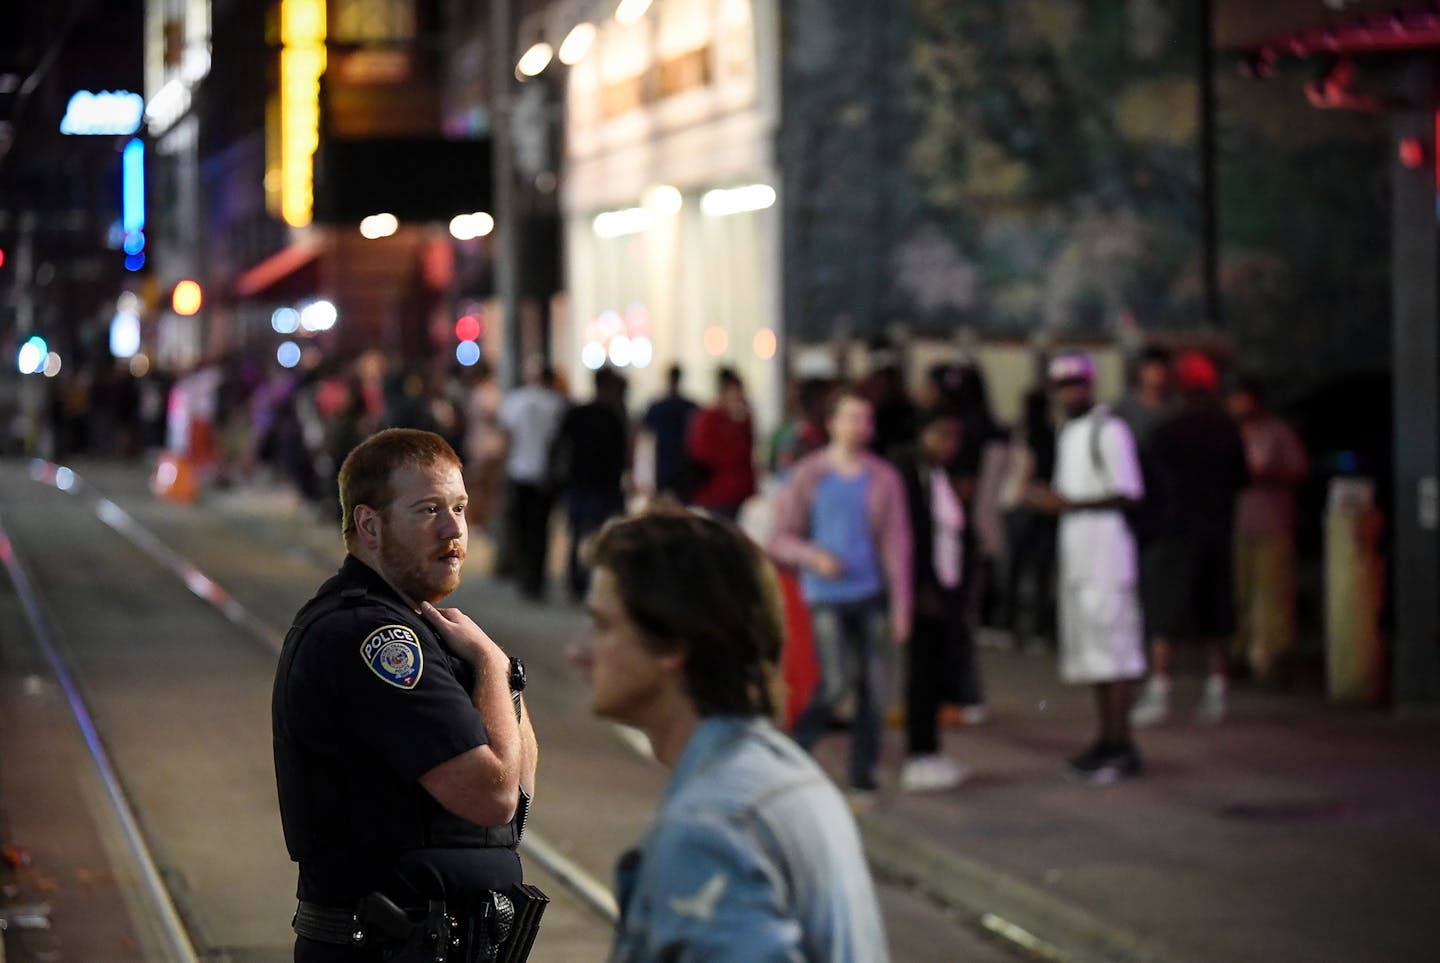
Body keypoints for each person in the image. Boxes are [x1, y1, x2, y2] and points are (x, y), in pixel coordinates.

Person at [571, 506, 890, 961]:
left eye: (603, 626)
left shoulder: (708, 831)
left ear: (673, 645)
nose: (577, 652)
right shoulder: (791, 775)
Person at [272, 428, 541, 961]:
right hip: (388, 946)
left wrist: (498, 672)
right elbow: (493, 797)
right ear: (370, 525)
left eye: (460, 507)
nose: (454, 530)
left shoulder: (425, 625)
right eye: (427, 511)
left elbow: (520, 787)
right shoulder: (374, 638)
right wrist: (491, 664)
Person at [769, 391, 913, 795]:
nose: (857, 427)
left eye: (864, 419)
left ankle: (861, 768)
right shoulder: (810, 475)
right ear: (832, 423)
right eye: (849, 417)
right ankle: (794, 751)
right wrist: (813, 557)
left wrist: (902, 605)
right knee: (836, 682)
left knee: (875, 686)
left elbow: (896, 544)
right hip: (827, 595)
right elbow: (779, 537)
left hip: (870, 592)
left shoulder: (883, 478)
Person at [1025, 354, 1147, 785]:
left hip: (1107, 558)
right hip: (1080, 558)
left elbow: (1129, 493)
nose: (1070, 391)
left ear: (1091, 384)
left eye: (1077, 383)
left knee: (1114, 654)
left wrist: (1066, 504)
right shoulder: (1070, 431)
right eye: (1062, 384)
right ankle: (1107, 741)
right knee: (1095, 657)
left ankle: (1121, 745)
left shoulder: (1107, 429)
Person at [1129, 351, 1251, 726]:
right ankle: (1218, 692)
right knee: (1216, 614)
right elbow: (1241, 479)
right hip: (1216, 531)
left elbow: (1145, 485)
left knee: (1165, 614)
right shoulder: (1227, 430)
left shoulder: (1165, 433)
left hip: (1172, 533)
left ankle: (1160, 692)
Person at [891, 405, 973, 792]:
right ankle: (918, 752)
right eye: (942, 435)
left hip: (945, 582)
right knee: (921, 671)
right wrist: (919, 585)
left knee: (938, 668)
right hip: (924, 586)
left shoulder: (938, 474)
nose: (949, 444)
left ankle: (930, 748)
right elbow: (909, 533)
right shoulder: (908, 472)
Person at [1227, 378, 1310, 684]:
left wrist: (1268, 475)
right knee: (1241, 594)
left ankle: (1278, 658)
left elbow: (1300, 470)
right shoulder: (1230, 435)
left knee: (1274, 592)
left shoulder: (1277, 433)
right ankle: (1241, 654)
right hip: (1237, 525)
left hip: (1273, 524)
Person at [551, 366, 630, 602]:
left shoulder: (579, 413)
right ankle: (588, 583)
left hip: (580, 482)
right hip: (603, 485)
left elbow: (559, 444)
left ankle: (576, 583)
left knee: (578, 535)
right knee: (598, 536)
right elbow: (624, 455)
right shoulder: (614, 416)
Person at [498, 357, 568, 600]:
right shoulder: (557, 403)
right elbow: (559, 443)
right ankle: (537, 580)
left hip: (518, 471)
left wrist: (503, 468)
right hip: (545, 476)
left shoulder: (515, 400)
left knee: (521, 526)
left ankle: (524, 576)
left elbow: (506, 436)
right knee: (541, 529)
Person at [997, 386, 1058, 654]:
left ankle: (1012, 627)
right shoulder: (1052, 436)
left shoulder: (1025, 437)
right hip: (1042, 508)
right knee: (1040, 573)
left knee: (1016, 569)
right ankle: (1039, 630)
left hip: (1024, 507)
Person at [684, 366, 757, 520]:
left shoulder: (744, 420)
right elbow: (701, 453)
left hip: (739, 492)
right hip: (716, 493)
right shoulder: (709, 418)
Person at [638, 364, 697, 498]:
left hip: (664, 463)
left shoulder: (657, 406)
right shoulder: (688, 406)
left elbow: (643, 432)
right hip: (681, 463)